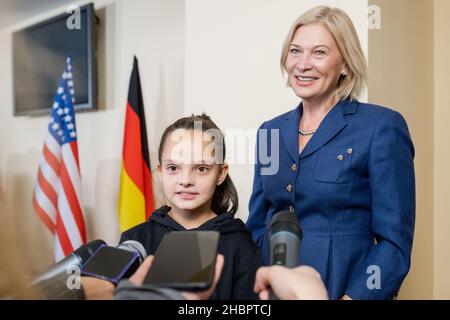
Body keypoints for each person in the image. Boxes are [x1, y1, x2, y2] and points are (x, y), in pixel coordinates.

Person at [246, 6, 415, 300]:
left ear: (346, 64)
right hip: (272, 291)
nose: (303, 63)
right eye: (295, 51)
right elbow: (258, 224)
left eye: (319, 53)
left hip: (342, 287)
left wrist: (356, 297)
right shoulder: (269, 132)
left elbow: (394, 244)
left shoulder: (381, 126)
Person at [120, 114, 264, 300]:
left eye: (201, 168)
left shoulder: (240, 246)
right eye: (173, 168)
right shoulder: (135, 240)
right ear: (161, 172)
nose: (186, 181)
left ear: (220, 174)